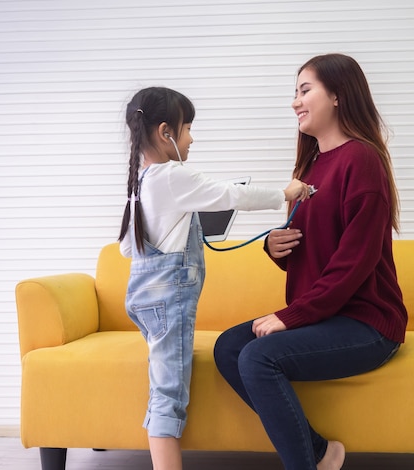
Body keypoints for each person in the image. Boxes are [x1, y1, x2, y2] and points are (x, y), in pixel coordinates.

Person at [213, 54, 408, 470]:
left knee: (257, 356)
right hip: (325, 316)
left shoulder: (362, 161)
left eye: (305, 90)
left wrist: (293, 315)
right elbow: (316, 250)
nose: (295, 102)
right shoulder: (310, 165)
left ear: (337, 95)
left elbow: (355, 262)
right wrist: (277, 247)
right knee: (229, 347)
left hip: (366, 322)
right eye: (295, 93)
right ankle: (321, 453)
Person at [117, 86, 310, 470]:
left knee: (165, 384)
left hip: (143, 299)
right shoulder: (171, 174)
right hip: (168, 303)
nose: (192, 138)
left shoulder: (143, 181)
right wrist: (285, 193)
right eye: (187, 128)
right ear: (165, 132)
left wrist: (180, 223)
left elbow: (127, 247)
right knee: (168, 396)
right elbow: (228, 195)